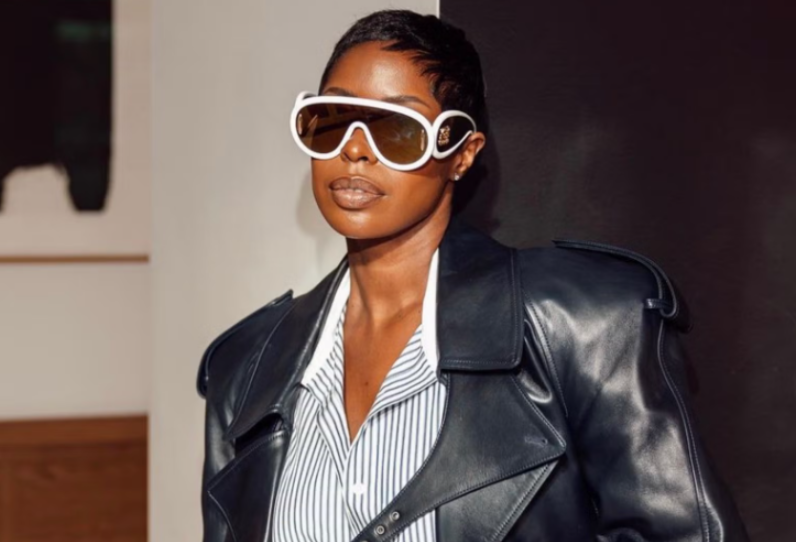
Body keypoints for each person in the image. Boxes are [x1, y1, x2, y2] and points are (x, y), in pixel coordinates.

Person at [197, 9, 748, 542]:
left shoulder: (585, 326)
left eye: (398, 128)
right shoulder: (247, 369)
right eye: (333, 121)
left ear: (461, 154)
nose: (356, 149)